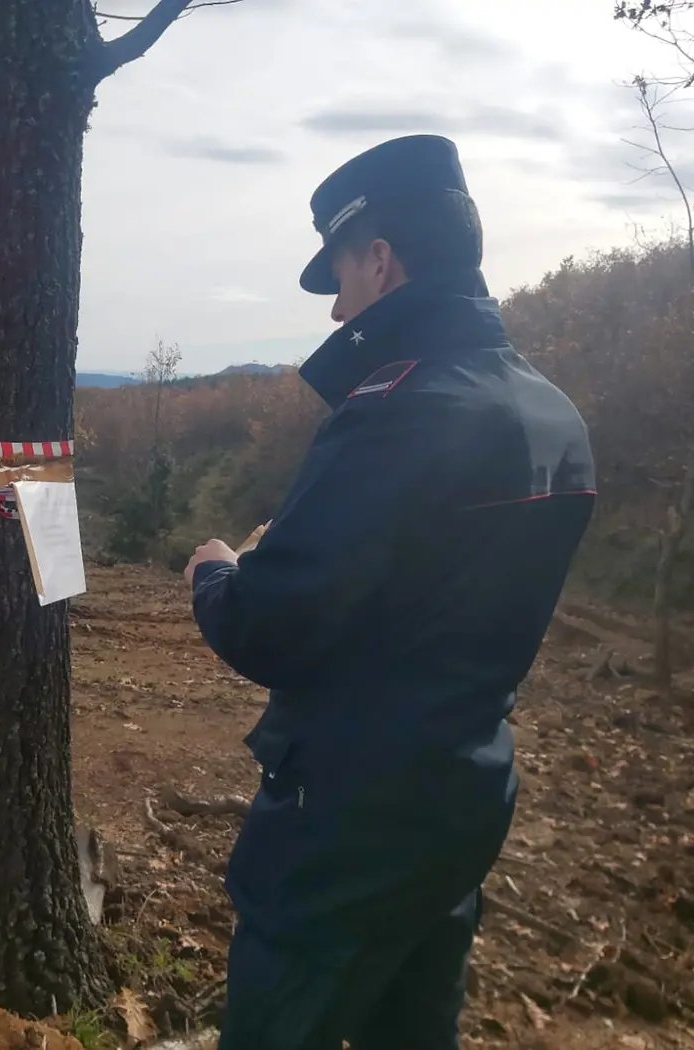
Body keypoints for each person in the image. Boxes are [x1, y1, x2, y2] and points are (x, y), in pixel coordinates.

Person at [184, 134, 597, 1049]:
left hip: (346, 821)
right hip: (462, 794)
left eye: (339, 273)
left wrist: (218, 571)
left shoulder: (400, 409)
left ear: (379, 258)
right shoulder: (549, 412)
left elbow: (271, 627)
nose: (336, 307)